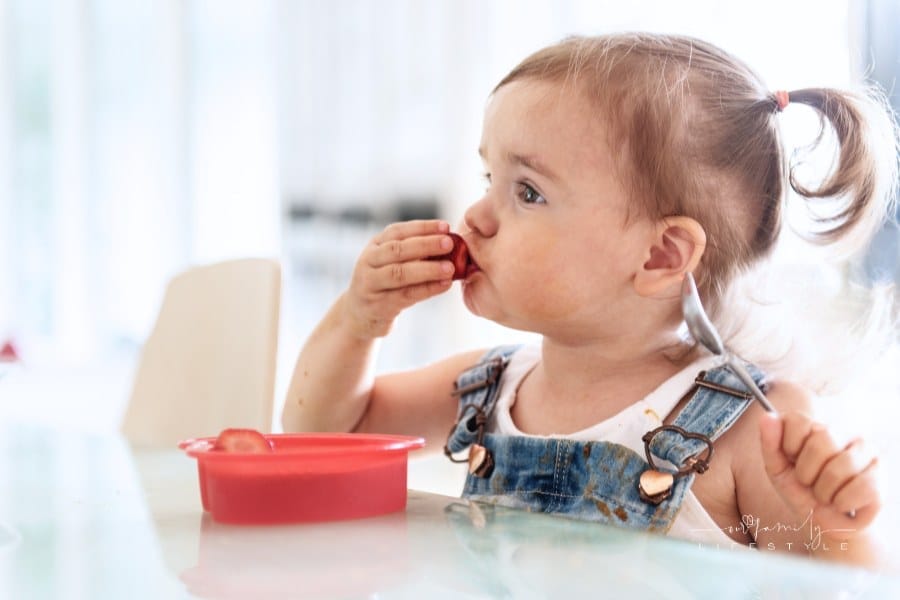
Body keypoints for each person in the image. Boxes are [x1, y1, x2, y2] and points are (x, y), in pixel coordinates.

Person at [282, 33, 897, 567]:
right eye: (488, 180)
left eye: (527, 192)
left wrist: (839, 529)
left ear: (659, 256)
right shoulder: (489, 387)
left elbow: (837, 586)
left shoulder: (750, 431)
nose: (474, 215)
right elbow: (325, 431)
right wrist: (358, 321)